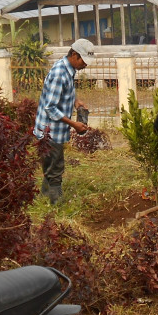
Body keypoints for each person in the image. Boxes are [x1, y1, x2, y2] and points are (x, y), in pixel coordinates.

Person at [34, 38, 94, 205]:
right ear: (74, 55)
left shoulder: (69, 69)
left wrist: (76, 102)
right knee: (56, 165)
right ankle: (56, 204)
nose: (85, 65)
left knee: (50, 163)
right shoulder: (59, 73)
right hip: (50, 129)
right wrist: (74, 124)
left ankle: (44, 195)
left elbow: (65, 92)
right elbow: (50, 107)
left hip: (54, 128)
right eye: (83, 60)